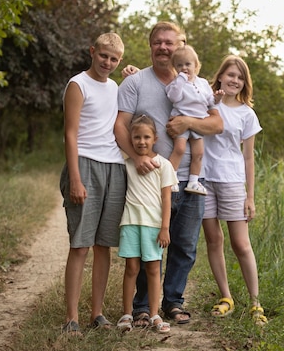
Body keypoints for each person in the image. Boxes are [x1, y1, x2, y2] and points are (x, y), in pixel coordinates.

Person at [114, 21, 223, 326]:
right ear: (150, 46)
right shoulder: (135, 83)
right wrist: (136, 157)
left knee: (185, 245)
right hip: (150, 181)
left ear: (181, 45)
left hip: (191, 179)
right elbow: (120, 126)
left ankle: (172, 302)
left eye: (169, 42)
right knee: (149, 246)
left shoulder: (196, 83)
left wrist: (187, 121)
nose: (163, 47)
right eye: (157, 42)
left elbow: (217, 124)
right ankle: (143, 307)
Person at [59, 32, 126, 335]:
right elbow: (70, 134)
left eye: (114, 59)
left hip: (114, 167)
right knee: (81, 245)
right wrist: (75, 177)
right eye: (103, 56)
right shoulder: (78, 84)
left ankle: (96, 313)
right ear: (92, 52)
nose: (107, 62)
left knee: (103, 246)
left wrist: (131, 76)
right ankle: (71, 317)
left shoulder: (115, 87)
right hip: (84, 165)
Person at [202, 55, 268, 326]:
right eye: (230, 75)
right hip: (203, 180)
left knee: (241, 244)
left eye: (240, 78)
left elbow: (249, 158)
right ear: (220, 76)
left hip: (232, 181)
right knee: (214, 240)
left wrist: (250, 196)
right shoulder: (205, 102)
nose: (235, 81)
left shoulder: (246, 114)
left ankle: (255, 303)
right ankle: (226, 297)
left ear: (245, 83)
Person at [116, 114, 177, 333]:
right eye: (137, 137)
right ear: (130, 139)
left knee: (153, 269)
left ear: (155, 139)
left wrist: (164, 228)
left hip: (153, 226)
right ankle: (126, 314)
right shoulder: (126, 164)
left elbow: (167, 199)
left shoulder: (164, 165)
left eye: (146, 137)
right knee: (131, 268)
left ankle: (154, 314)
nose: (141, 141)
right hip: (131, 222)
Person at [165, 44, 222, 196]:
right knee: (180, 149)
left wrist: (217, 98)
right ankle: (170, 178)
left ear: (196, 66)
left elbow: (210, 101)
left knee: (198, 153)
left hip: (198, 123)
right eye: (179, 65)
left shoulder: (202, 83)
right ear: (174, 68)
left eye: (188, 64)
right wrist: (181, 80)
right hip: (180, 120)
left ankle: (193, 181)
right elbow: (173, 97)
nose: (184, 68)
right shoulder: (176, 84)